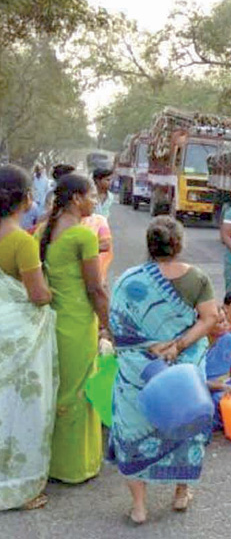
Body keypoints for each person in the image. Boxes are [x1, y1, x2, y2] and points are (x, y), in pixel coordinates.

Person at [108, 216, 218, 524]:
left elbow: (117, 328)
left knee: (131, 429)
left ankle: (139, 507)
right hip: (184, 372)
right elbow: (209, 318)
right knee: (188, 427)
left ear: (149, 245)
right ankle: (181, 494)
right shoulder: (197, 278)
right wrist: (179, 346)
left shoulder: (129, 280)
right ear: (180, 244)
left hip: (139, 372)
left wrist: (150, 345)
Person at [36, 173, 108, 484]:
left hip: (55, 321)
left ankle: (53, 462)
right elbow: (96, 289)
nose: (95, 200)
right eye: (91, 195)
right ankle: (75, 467)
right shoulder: (83, 236)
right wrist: (109, 325)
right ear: (77, 198)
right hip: (78, 323)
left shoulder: (44, 230)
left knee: (61, 391)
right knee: (79, 393)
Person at [0, 165, 57, 511]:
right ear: (25, 199)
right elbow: (37, 295)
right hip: (17, 336)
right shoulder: (22, 242)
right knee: (20, 411)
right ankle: (19, 486)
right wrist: (53, 293)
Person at [205, 306, 231, 431]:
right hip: (207, 387)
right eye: (221, 322)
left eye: (225, 321)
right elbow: (195, 380)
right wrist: (222, 387)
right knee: (219, 399)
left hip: (229, 383)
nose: (226, 325)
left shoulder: (229, 339)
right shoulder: (197, 344)